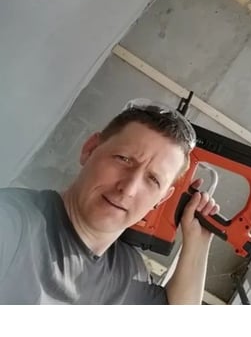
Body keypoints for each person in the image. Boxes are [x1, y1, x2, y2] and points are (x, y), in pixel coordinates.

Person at [0, 100, 219, 304]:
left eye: (153, 179)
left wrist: (198, 241)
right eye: (123, 159)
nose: (129, 188)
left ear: (162, 199)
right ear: (90, 149)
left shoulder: (128, 273)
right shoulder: (13, 223)